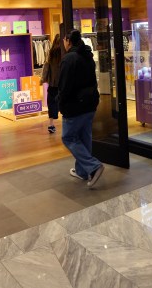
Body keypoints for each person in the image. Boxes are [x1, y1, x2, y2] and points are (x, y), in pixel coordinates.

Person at [58, 29, 104, 187]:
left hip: (74, 105)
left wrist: (60, 104)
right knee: (84, 137)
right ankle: (82, 171)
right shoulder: (87, 55)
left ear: (68, 41)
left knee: (68, 137)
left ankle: (93, 166)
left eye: (64, 40)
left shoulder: (69, 59)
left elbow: (64, 86)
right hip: (90, 103)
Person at [40, 34, 63, 134]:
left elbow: (46, 68)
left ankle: (51, 124)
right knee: (64, 102)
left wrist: (43, 79)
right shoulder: (64, 53)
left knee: (51, 102)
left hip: (53, 83)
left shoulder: (51, 53)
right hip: (63, 83)